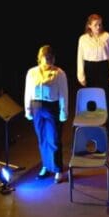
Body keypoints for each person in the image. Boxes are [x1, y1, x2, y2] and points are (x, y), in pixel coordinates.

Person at [24, 45, 68, 183]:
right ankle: (46, 165)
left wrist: (63, 111)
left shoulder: (59, 73)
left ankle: (58, 169)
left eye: (50, 57)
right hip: (37, 107)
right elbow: (28, 92)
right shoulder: (32, 72)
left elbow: (63, 94)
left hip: (52, 106)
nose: (48, 60)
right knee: (42, 139)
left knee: (54, 139)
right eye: (45, 57)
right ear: (40, 58)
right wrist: (28, 109)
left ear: (53, 58)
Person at [76, 14, 109, 120]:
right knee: (91, 96)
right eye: (95, 25)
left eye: (100, 24)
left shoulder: (107, 36)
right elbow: (80, 58)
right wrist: (81, 76)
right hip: (90, 69)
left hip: (103, 68)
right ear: (89, 25)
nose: (98, 27)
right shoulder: (83, 39)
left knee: (106, 96)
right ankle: (93, 123)